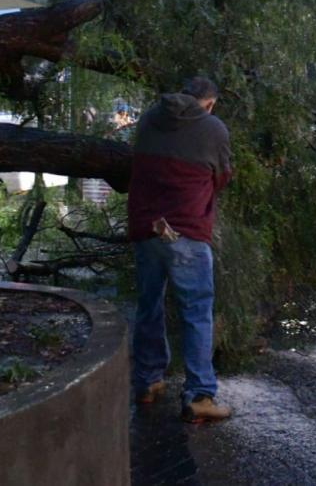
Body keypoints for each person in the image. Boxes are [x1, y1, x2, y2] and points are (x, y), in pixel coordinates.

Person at [128, 76, 232, 422]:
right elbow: (221, 178)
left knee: (148, 306)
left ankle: (147, 382)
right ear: (209, 103)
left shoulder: (147, 118)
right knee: (197, 312)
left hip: (147, 229)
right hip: (186, 232)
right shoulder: (214, 128)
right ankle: (200, 395)